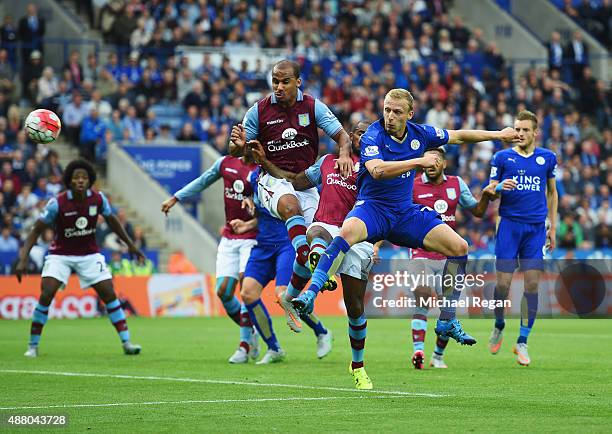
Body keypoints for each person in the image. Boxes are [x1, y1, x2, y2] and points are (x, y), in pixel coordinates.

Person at [292, 88, 519, 388]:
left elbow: (460, 135)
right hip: (373, 209)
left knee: (459, 247)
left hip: (404, 213)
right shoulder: (373, 134)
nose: (390, 116)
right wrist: (419, 162)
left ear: (410, 114)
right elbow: (377, 170)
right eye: (387, 109)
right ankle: (311, 293)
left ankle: (447, 318)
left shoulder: (421, 134)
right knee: (346, 232)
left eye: (397, 111)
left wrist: (498, 135)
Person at [250, 120, 376, 388]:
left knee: (355, 308)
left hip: (360, 236)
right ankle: (307, 288)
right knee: (314, 238)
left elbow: (388, 209)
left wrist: (377, 243)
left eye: (370, 133)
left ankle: (357, 365)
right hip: (327, 225)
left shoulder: (376, 169)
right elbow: (294, 181)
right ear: (351, 137)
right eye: (360, 132)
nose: (364, 137)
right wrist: (265, 164)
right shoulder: (328, 162)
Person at [229, 60, 353, 323]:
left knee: (319, 236)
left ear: (298, 82)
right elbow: (242, 152)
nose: (279, 87)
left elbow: (343, 136)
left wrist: (344, 155)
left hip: (304, 184)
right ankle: (303, 253)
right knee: (290, 208)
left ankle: (292, 295)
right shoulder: (259, 111)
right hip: (271, 179)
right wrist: (239, 147)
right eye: (275, 81)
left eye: (285, 81)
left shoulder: (312, 106)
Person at [16, 159, 144, 357]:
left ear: (90, 180)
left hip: (89, 255)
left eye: (84, 177)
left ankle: (127, 343)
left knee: (109, 292)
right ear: (69, 181)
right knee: (47, 292)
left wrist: (132, 245)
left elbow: (113, 222)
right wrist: (23, 258)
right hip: (60, 255)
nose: (80, 181)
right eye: (76, 177)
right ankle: (32, 346)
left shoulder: (98, 199)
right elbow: (36, 230)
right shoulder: (57, 203)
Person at [409, 146, 500, 370]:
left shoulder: (456, 184)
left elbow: (476, 212)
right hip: (420, 252)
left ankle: (438, 356)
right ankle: (418, 350)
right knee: (422, 294)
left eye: (435, 161)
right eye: (427, 162)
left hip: (448, 256)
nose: (431, 166)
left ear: (443, 164)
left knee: (447, 309)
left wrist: (486, 197)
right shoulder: (412, 184)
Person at [229, 166, 332, 364]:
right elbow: (261, 213)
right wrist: (246, 224)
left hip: (286, 243)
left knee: (282, 293)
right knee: (247, 293)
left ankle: (321, 331)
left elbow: (299, 208)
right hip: (263, 245)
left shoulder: (290, 176)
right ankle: (274, 347)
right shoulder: (253, 178)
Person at [161, 153, 258, 346]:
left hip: (252, 237)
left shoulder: (261, 169)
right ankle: (251, 331)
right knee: (223, 291)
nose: (234, 137)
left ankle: (244, 345)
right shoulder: (225, 163)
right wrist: (176, 198)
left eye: (240, 134)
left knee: (245, 285)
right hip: (229, 237)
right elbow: (202, 181)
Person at [487, 110, 558, 366]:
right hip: (509, 226)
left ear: (535, 132)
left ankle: (522, 341)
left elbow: (552, 192)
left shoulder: (547, 158)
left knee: (531, 285)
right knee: (503, 284)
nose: (519, 134)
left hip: (536, 229)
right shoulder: (502, 157)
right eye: (517, 129)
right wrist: (497, 187)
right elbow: (489, 190)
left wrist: (553, 226)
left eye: (525, 130)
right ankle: (498, 323)